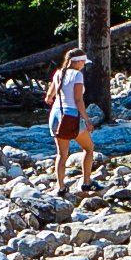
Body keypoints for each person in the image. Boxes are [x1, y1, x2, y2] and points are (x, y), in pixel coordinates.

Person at [44, 47, 99, 196]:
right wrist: (87, 120)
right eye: (83, 62)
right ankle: (86, 182)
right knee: (88, 148)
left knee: (62, 154)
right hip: (71, 115)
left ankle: (61, 187)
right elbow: (78, 99)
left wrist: (52, 98)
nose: (84, 65)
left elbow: (49, 96)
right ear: (78, 62)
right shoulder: (77, 75)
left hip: (55, 115)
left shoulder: (58, 73)